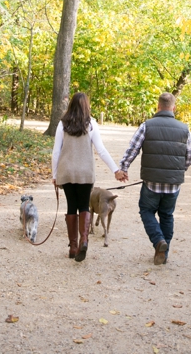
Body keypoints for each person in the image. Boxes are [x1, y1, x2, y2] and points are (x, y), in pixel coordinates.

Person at [115, 92, 191, 265]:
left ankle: (159, 241)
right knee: (167, 215)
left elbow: (133, 149)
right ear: (173, 107)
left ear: (158, 107)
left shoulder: (147, 126)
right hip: (173, 185)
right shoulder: (184, 129)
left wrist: (123, 168)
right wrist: (178, 171)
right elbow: (189, 156)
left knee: (146, 211)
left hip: (151, 183)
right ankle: (163, 254)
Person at [51, 92, 124, 262]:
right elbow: (101, 150)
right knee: (84, 205)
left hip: (66, 172)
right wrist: (116, 170)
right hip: (85, 173)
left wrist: (55, 174)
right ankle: (84, 239)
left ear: (71, 106)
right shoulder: (91, 124)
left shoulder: (62, 124)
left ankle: (73, 247)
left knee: (71, 207)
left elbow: (56, 151)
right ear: (86, 106)